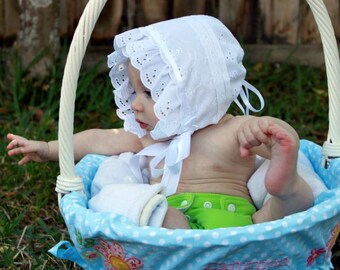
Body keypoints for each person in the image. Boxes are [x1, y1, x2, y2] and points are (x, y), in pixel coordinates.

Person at [6, 15, 315, 230]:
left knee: (285, 208)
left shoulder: (233, 130)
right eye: (135, 90)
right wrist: (49, 148)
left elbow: (273, 139)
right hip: (171, 222)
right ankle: (160, 223)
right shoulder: (150, 139)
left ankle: (286, 187)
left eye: (151, 92)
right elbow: (101, 139)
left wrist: (269, 133)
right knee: (139, 206)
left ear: (194, 90)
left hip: (237, 222)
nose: (135, 103)